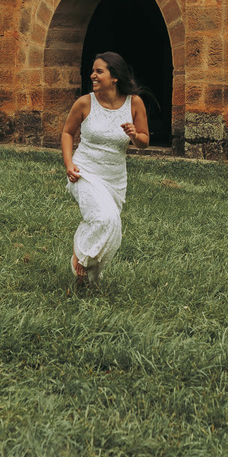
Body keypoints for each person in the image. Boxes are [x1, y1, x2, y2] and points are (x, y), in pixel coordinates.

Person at [61, 51, 150, 290]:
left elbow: (144, 141)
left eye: (99, 71)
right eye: (93, 71)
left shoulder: (135, 103)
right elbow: (67, 133)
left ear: (115, 77)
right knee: (105, 219)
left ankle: (91, 278)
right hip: (85, 172)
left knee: (113, 228)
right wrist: (69, 164)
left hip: (114, 179)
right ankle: (81, 255)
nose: (93, 75)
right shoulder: (85, 102)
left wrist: (134, 135)